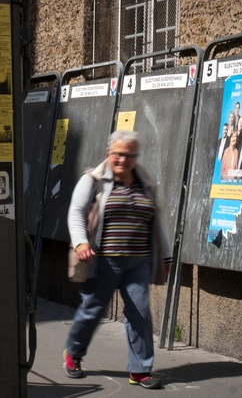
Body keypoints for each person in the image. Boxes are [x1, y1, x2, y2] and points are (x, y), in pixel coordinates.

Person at [64, 130, 172, 390]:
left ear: (136, 156)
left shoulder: (145, 182)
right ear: (108, 153)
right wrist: (81, 243)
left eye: (129, 155)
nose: (123, 160)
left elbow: (156, 222)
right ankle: (73, 352)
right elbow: (76, 212)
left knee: (140, 313)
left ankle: (140, 370)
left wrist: (166, 255)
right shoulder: (94, 179)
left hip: (139, 261)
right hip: (103, 260)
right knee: (92, 311)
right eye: (118, 154)